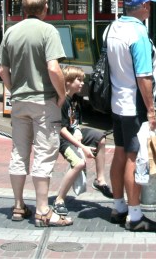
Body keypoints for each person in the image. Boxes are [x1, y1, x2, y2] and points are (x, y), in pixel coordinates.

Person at [0, 0, 70, 228]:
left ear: (24, 8)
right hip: (43, 100)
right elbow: (53, 68)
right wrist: (62, 95)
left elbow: (2, 70)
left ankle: (18, 205)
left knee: (19, 152)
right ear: (45, 8)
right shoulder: (48, 31)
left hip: (19, 101)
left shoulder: (11, 32)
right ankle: (43, 210)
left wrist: (13, 90)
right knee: (44, 153)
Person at [105, 0, 156, 232]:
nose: (150, 7)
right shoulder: (138, 34)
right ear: (142, 6)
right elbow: (143, 76)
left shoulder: (112, 28)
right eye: (148, 4)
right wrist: (151, 110)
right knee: (134, 157)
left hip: (117, 101)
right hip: (134, 105)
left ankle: (118, 207)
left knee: (120, 152)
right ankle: (135, 215)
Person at [52, 65, 111, 217]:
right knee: (79, 163)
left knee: (100, 138)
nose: (82, 83)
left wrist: (78, 131)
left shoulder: (76, 99)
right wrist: (82, 147)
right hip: (64, 139)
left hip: (73, 133)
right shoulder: (63, 101)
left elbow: (75, 122)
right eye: (79, 80)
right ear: (68, 82)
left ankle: (100, 180)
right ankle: (59, 200)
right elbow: (61, 129)